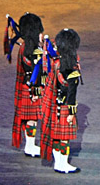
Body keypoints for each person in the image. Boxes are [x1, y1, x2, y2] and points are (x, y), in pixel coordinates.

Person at [39, 28, 83, 174]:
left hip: (55, 105)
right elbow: (72, 92)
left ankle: (58, 161)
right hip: (64, 106)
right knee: (64, 139)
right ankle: (62, 163)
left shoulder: (55, 62)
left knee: (57, 137)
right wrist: (72, 111)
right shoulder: (71, 66)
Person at [8, 13, 45, 157]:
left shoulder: (28, 46)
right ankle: (30, 145)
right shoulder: (29, 49)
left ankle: (30, 144)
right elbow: (33, 71)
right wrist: (35, 92)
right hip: (31, 87)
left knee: (32, 118)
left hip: (28, 87)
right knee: (31, 118)